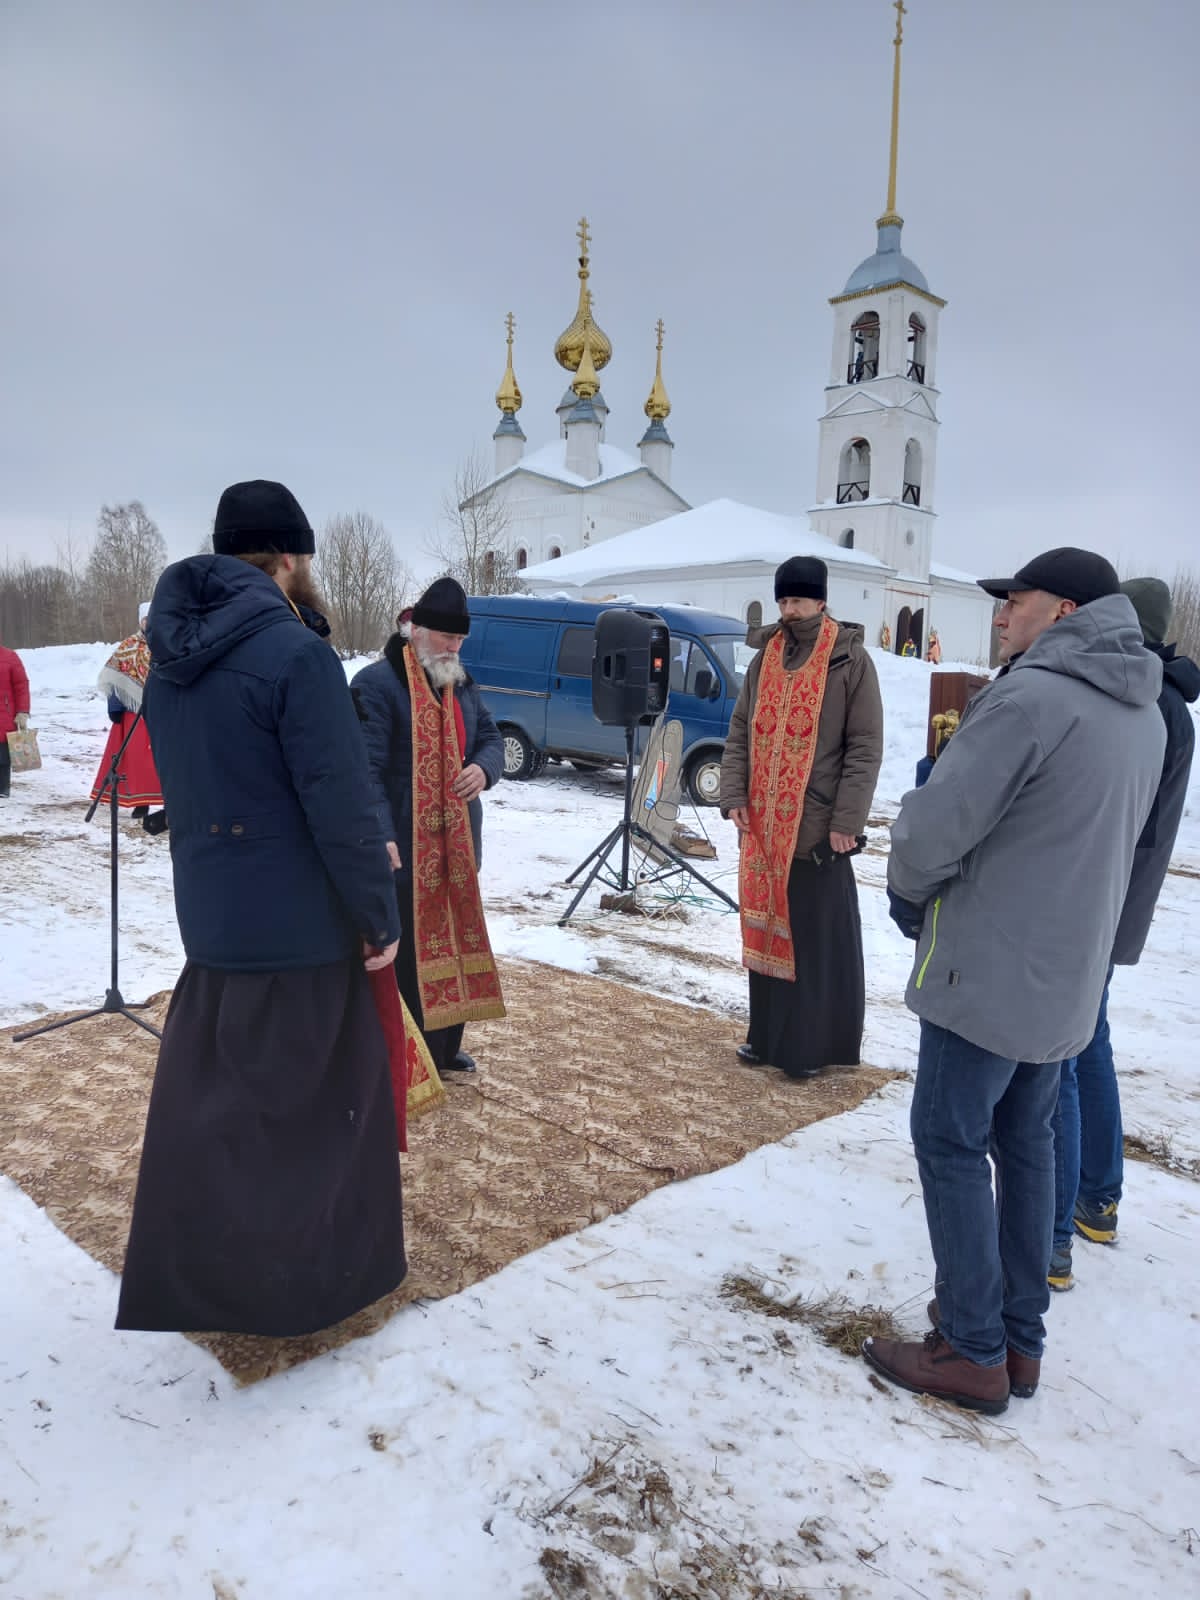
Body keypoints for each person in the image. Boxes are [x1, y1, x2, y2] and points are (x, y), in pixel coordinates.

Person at [865, 548, 1165, 1413]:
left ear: (1063, 612)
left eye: (1015, 601)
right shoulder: (1141, 711)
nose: (1000, 615)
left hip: (987, 965)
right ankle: (1019, 1342)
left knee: (951, 1139)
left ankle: (969, 1348)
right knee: (1027, 1142)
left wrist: (909, 892)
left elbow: (933, 829)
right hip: (1068, 974)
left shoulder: (1030, 697)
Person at [116, 480, 407, 1336]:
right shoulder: (293, 654)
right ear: (288, 558)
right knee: (311, 1122)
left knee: (223, 1113)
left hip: (213, 917)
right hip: (301, 929)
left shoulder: (166, 655)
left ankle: (207, 1280)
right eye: (307, 558)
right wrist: (378, 916)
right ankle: (297, 1293)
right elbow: (340, 802)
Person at [1051, 576, 1198, 1285]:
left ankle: (1084, 1198)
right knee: (1088, 1043)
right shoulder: (1168, 700)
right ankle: (1096, 1197)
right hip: (1116, 893)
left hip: (1098, 893)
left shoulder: (1146, 700)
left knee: (1077, 1049)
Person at [720, 556, 883, 1079]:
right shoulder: (766, 654)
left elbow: (864, 746)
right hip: (764, 824)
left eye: (799, 601)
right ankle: (767, 1036)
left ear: (821, 600)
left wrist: (848, 820)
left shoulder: (849, 659)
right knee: (767, 931)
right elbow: (741, 727)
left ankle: (812, 1047)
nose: (789, 611)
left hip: (816, 826)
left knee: (814, 939)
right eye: (783, 601)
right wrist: (734, 792)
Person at [352, 577, 506, 1078]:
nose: (454, 649)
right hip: (403, 846)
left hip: (456, 848)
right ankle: (407, 1054)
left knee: (457, 944)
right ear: (415, 631)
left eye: (460, 641)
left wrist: (483, 768)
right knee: (410, 958)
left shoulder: (459, 682)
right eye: (446, 639)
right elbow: (365, 770)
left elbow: (490, 737)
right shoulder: (376, 686)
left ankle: (443, 1048)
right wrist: (380, 832)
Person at [89, 602, 165, 827]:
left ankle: (170, 802)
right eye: (145, 619)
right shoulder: (129, 646)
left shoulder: (169, 644)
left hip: (163, 712)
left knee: (165, 758)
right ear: (140, 621)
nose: (148, 623)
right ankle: (141, 803)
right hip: (135, 713)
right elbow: (115, 676)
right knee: (138, 759)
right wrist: (115, 705)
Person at [0, 636, 31, 799]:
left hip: (5, 715)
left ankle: (2, 788)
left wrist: (23, 711)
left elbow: (21, 686)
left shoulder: (10, 657)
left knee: (3, 756)